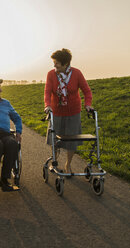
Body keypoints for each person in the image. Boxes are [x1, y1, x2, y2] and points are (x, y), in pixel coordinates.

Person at [44, 48, 93, 176]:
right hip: (56, 112)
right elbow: (47, 92)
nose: (54, 65)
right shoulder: (51, 74)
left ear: (66, 64)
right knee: (55, 139)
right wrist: (47, 105)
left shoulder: (76, 73)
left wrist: (88, 105)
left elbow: (86, 91)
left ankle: (68, 164)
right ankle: (55, 161)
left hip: (73, 112)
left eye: (57, 63)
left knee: (71, 141)